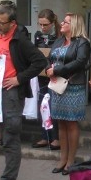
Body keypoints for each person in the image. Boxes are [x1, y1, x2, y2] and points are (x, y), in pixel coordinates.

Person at [0, 2, 46, 180]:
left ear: (12, 22)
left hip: (11, 92)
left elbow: (40, 61)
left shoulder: (20, 40)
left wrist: (19, 79)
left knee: (10, 134)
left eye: (1, 22)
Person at [45, 12, 91, 174]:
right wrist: (48, 69)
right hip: (57, 86)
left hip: (73, 86)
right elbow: (49, 59)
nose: (62, 24)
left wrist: (57, 70)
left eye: (65, 22)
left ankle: (71, 160)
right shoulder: (58, 41)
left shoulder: (82, 43)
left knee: (71, 123)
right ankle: (62, 159)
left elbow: (80, 62)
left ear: (74, 25)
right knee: (61, 122)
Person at [32, 8, 60, 150]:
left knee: (53, 106)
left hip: (55, 75)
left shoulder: (59, 36)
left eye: (45, 25)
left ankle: (56, 137)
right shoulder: (37, 36)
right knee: (42, 105)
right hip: (41, 75)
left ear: (52, 23)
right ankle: (45, 136)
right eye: (40, 24)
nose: (42, 27)